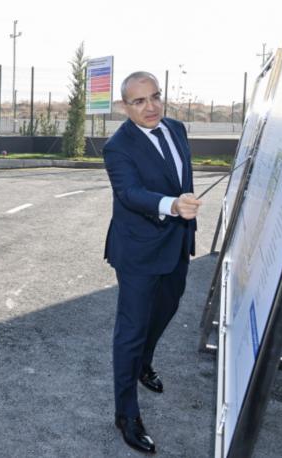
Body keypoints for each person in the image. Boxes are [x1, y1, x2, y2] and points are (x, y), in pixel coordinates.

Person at [103, 71, 201, 453]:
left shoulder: (177, 129)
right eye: (140, 101)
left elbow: (180, 179)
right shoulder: (117, 147)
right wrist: (173, 205)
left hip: (177, 243)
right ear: (124, 107)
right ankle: (126, 415)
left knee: (167, 308)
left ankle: (144, 362)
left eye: (155, 96)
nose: (151, 107)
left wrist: (183, 208)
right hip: (138, 251)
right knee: (131, 331)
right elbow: (130, 192)